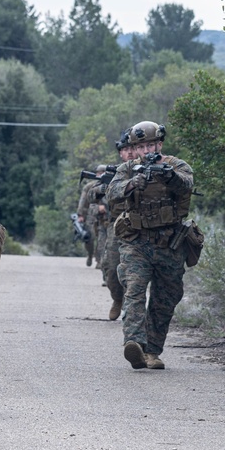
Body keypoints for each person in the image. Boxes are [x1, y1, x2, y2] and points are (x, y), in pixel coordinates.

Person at [106, 121, 194, 371]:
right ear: (136, 148)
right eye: (141, 146)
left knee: (165, 298)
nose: (147, 150)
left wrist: (168, 176)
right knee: (134, 288)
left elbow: (187, 184)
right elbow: (112, 192)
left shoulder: (177, 165)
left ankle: (153, 351)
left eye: (152, 145)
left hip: (170, 243)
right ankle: (134, 342)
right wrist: (134, 183)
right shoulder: (127, 169)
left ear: (160, 144)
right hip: (136, 241)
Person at [100, 131, 136, 321]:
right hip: (117, 225)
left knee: (136, 272)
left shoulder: (148, 168)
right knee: (111, 269)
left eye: (132, 148)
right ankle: (117, 299)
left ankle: (134, 310)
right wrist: (102, 188)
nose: (129, 153)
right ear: (120, 153)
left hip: (141, 226)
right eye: (125, 150)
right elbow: (93, 194)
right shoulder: (116, 173)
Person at [76, 177, 97, 267]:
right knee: (89, 238)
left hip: (105, 216)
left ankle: (100, 260)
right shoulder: (89, 186)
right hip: (90, 216)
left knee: (103, 240)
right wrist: (80, 214)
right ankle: (90, 254)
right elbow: (83, 200)